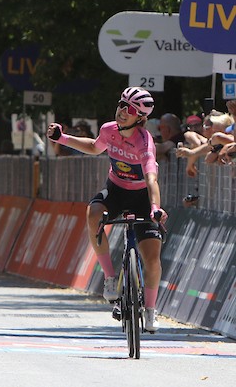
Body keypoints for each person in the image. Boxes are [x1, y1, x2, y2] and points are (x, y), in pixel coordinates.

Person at [47, 86, 168, 332]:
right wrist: (62, 138)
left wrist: (155, 207)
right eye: (121, 104)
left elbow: (151, 180)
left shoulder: (145, 143)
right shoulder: (108, 130)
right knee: (93, 214)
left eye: (130, 109)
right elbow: (93, 147)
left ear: (140, 118)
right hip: (115, 191)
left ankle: (151, 310)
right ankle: (111, 278)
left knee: (152, 259)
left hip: (142, 196)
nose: (123, 111)